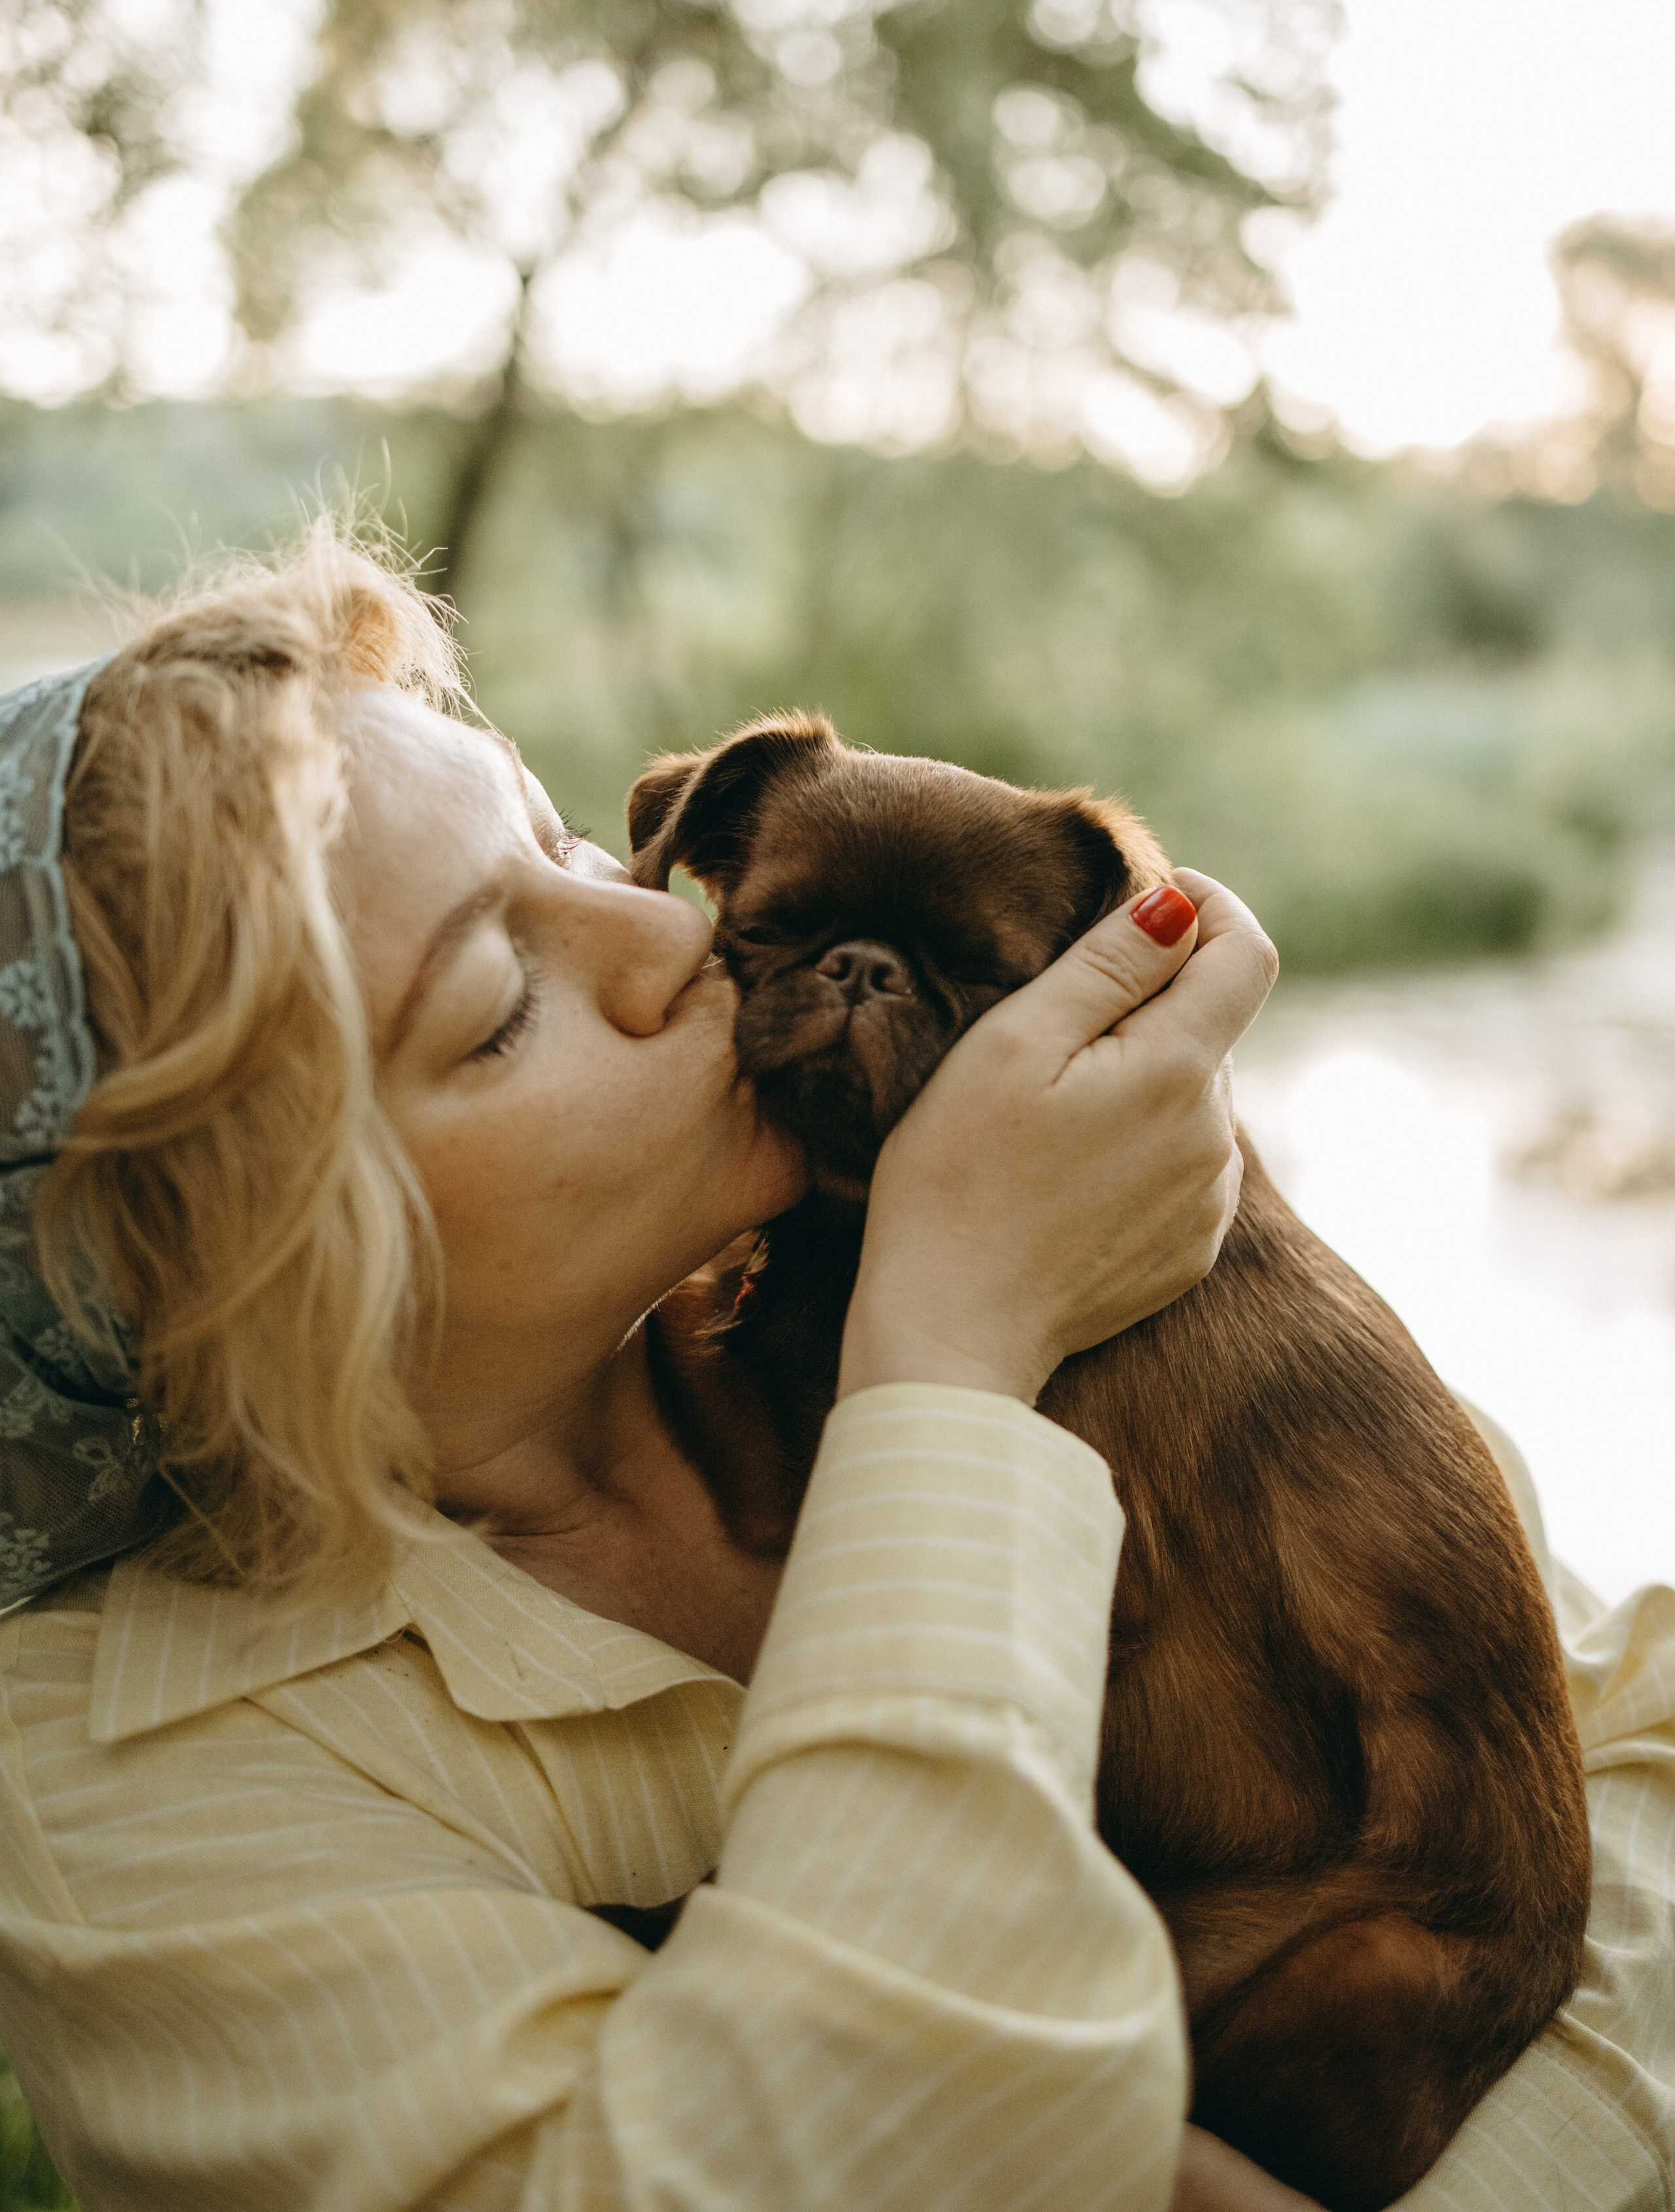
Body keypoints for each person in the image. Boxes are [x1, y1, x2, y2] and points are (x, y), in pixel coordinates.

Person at [0, 529, 1666, 2212]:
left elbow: (1629, 1764)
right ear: (225, 1269)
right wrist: (947, 1363)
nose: (666, 942)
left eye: (575, 843)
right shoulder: (122, 1774)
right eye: (503, 1002)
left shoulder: (1157, 1297)